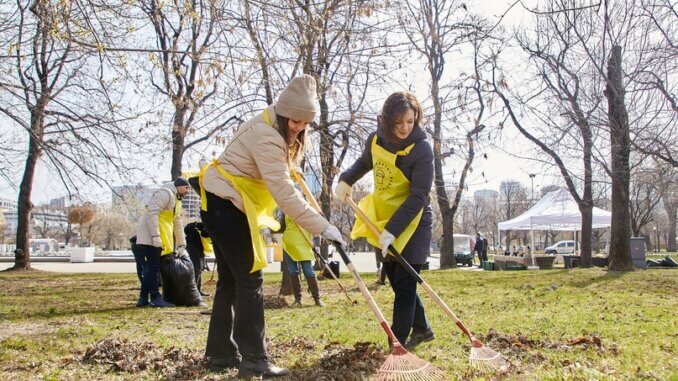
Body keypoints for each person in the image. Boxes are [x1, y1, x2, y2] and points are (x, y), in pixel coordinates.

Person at [200, 75, 344, 378]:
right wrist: (322, 226)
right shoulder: (267, 134)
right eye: (294, 120)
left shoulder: (275, 126)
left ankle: (221, 354)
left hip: (222, 203)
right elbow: (282, 192)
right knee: (250, 278)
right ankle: (254, 359)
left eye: (305, 123)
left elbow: (281, 173)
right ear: (282, 111)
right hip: (225, 205)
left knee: (231, 280)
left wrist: (294, 170)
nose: (298, 127)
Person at [334, 91, 435, 350]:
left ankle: (397, 344)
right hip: (385, 216)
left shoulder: (422, 150)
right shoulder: (376, 139)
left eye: (410, 122)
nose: (404, 128)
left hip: (413, 221)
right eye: (398, 122)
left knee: (405, 283)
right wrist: (346, 179)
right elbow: (363, 162)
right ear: (387, 120)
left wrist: (392, 231)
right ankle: (423, 329)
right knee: (395, 278)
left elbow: (419, 196)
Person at [134, 178, 191, 307]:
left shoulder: (177, 200)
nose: (188, 191)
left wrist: (182, 245)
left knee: (151, 267)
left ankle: (143, 298)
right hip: (152, 236)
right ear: (179, 186)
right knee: (153, 267)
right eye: (186, 188)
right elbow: (152, 213)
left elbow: (177, 223)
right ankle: (155, 298)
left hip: (160, 235)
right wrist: (155, 236)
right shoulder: (165, 193)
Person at [278, 210, 324, 307]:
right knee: (293, 271)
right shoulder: (286, 211)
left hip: (303, 243)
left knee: (308, 271)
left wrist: (316, 243)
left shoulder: (307, 210)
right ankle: (298, 300)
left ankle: (317, 299)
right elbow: (280, 227)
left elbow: (316, 225)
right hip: (289, 243)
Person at [184, 221, 212, 296]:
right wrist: (197, 224)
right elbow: (186, 229)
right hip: (192, 245)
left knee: (200, 268)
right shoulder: (196, 227)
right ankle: (193, 291)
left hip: (200, 247)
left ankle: (198, 290)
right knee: (196, 267)